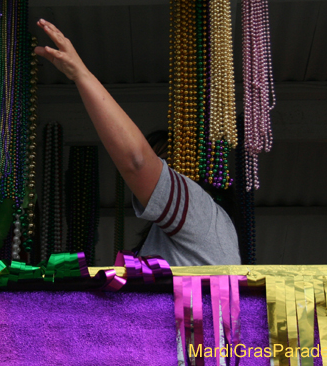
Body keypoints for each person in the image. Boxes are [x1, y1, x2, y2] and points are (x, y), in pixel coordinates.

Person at [34, 19, 241, 266]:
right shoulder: (186, 230)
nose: (158, 173)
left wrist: (81, 74)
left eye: (164, 163)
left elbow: (138, 162)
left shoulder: (201, 212)